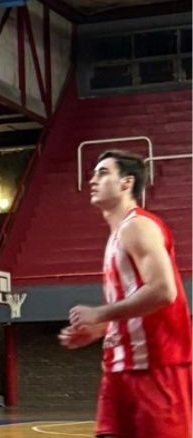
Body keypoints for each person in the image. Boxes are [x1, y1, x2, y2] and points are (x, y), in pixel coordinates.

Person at [59, 150, 191, 438]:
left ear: (126, 182)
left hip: (155, 366)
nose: (93, 180)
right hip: (119, 369)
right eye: (94, 174)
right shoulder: (116, 235)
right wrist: (101, 329)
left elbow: (163, 291)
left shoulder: (138, 226)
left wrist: (100, 313)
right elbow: (135, 305)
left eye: (103, 173)